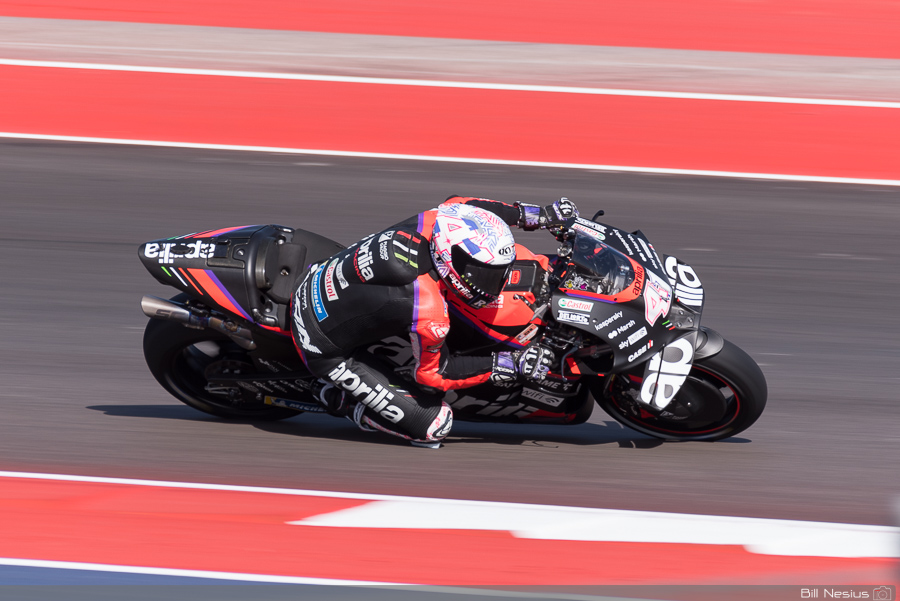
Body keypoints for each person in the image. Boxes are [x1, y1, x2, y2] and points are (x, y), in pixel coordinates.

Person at [290, 196, 579, 447]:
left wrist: (539, 215)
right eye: (483, 274)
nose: (495, 286)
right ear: (448, 258)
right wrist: (506, 364)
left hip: (327, 272)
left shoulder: (438, 219)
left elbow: (468, 206)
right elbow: (433, 375)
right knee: (434, 425)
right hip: (319, 340)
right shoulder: (428, 308)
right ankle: (339, 399)